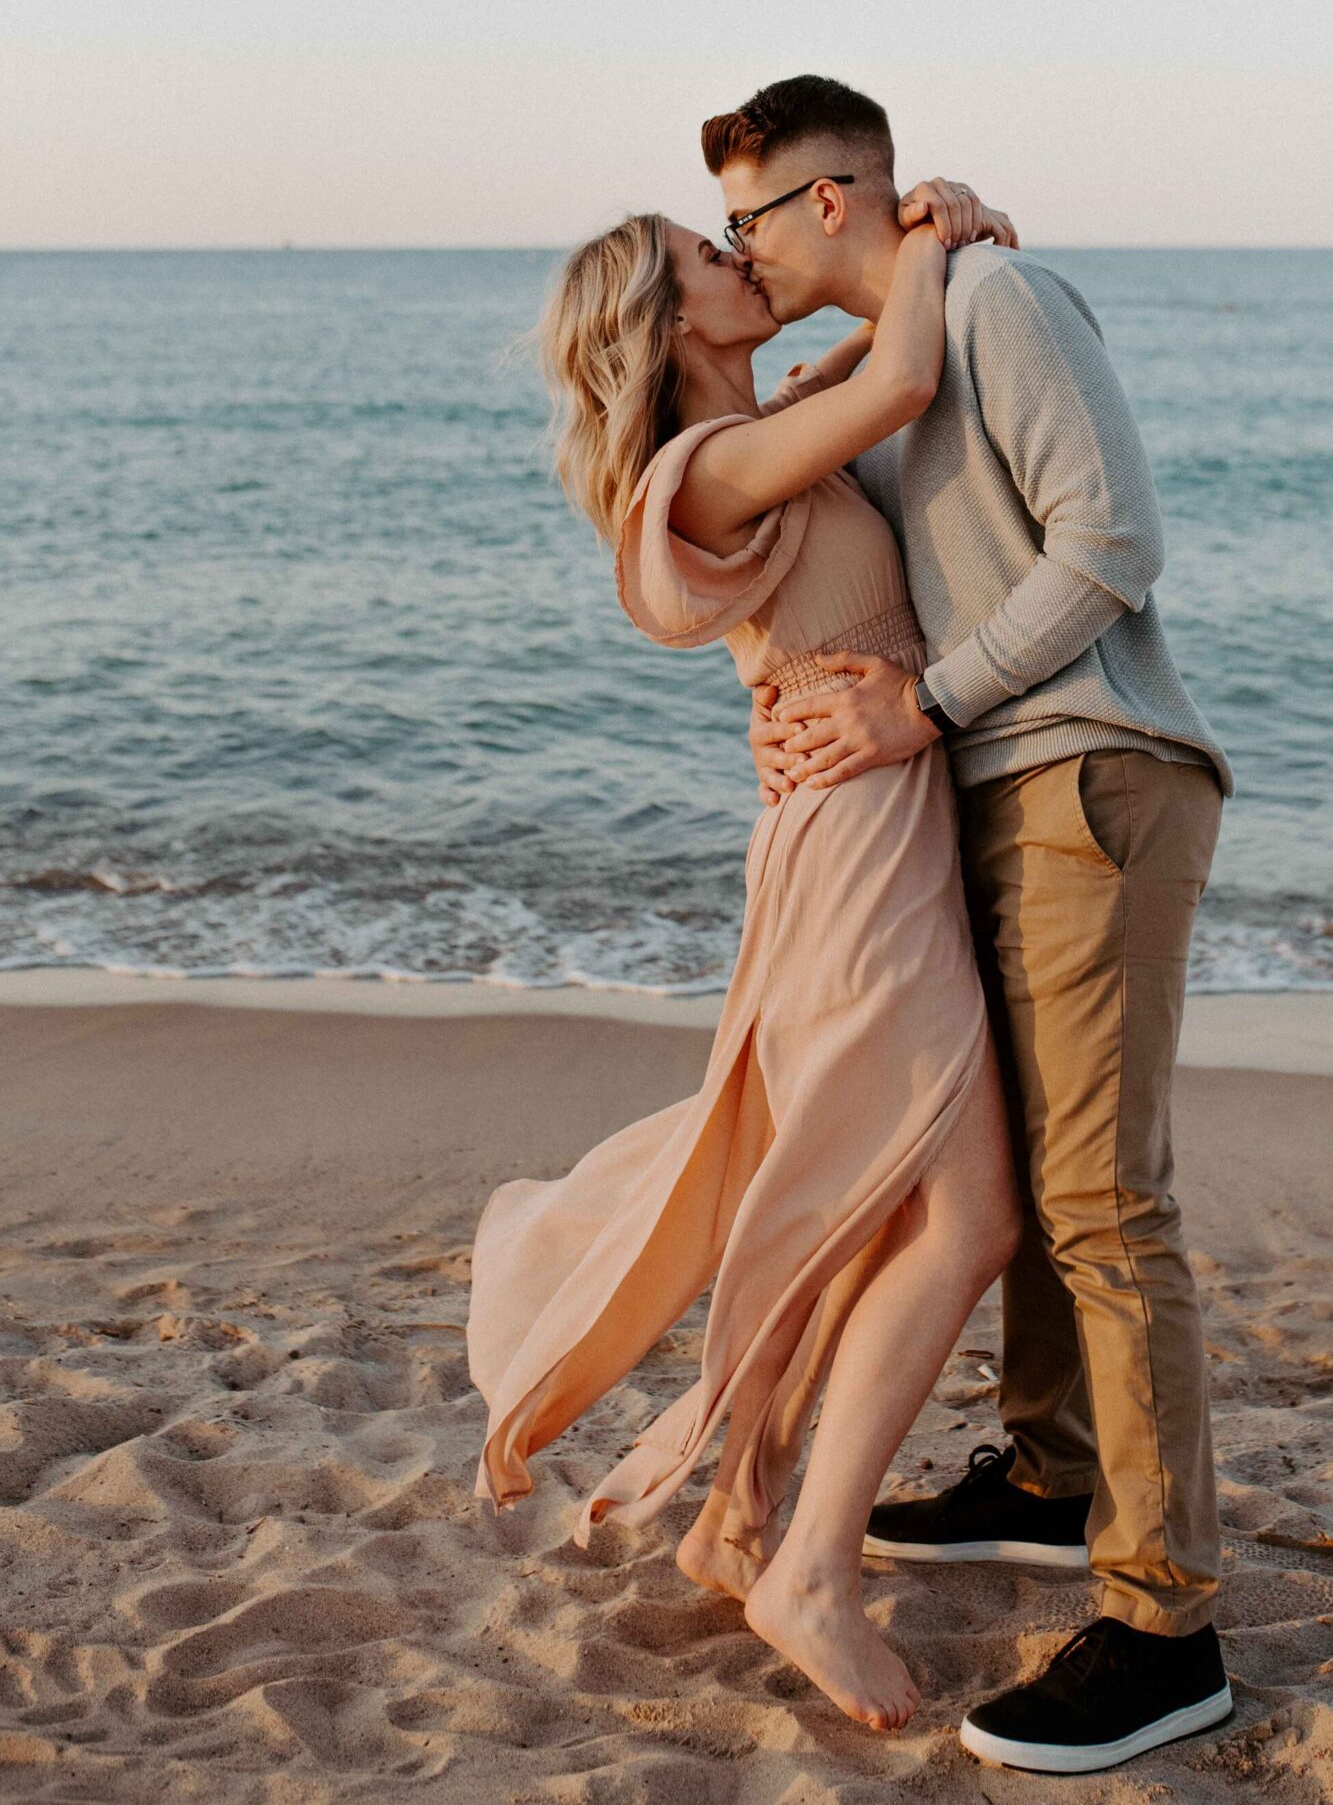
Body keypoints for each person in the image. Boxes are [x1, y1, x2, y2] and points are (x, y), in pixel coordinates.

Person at [717, 74, 1238, 1776]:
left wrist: (920, 707)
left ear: (830, 199)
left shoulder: (1005, 299)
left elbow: (1110, 545)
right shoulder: (898, 361)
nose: (737, 247)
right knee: (1015, 1168)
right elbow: (865, 568)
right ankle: (1048, 1469)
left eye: (750, 214)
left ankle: (1167, 1626)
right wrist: (811, 695)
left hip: (1089, 781)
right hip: (992, 798)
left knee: (1102, 1205)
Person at [464, 177, 1024, 1735]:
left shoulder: (762, 421)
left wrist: (926, 228)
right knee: (966, 1218)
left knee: (861, 1210)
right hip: (856, 855)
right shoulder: (701, 467)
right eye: (713, 253)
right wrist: (920, 243)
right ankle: (812, 1575)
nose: (744, 255)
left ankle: (738, 1519)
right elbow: (904, 371)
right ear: (663, 323)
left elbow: (863, 367)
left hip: (869, 834)